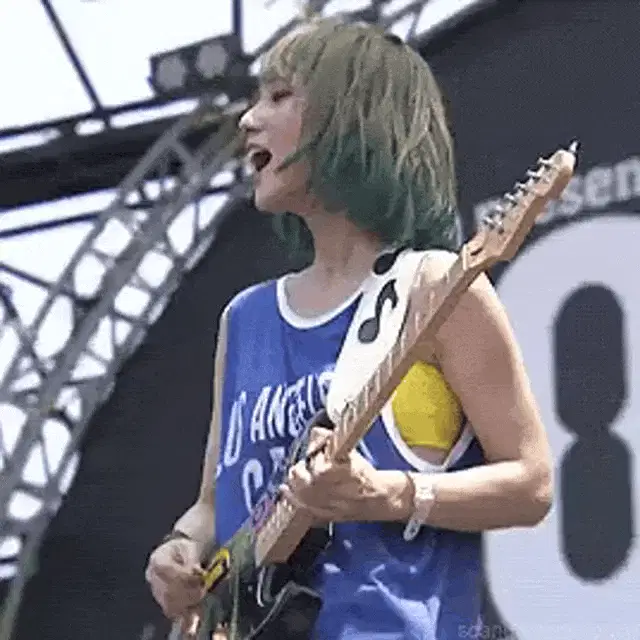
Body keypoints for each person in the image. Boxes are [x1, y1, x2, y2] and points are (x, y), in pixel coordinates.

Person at [145, 17, 553, 640]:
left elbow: (532, 483)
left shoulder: (435, 287)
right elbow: (213, 505)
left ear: (352, 120)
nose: (248, 119)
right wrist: (180, 547)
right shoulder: (245, 319)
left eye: (279, 96)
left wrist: (389, 495)